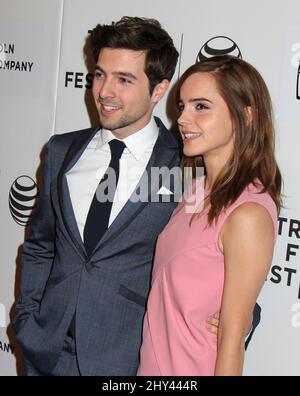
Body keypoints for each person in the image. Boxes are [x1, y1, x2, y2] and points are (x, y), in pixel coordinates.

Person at [137, 55, 282, 376]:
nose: (183, 119)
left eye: (201, 106)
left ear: (246, 115)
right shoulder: (195, 189)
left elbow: (231, 341)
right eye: (182, 106)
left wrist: (243, 320)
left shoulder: (248, 214)